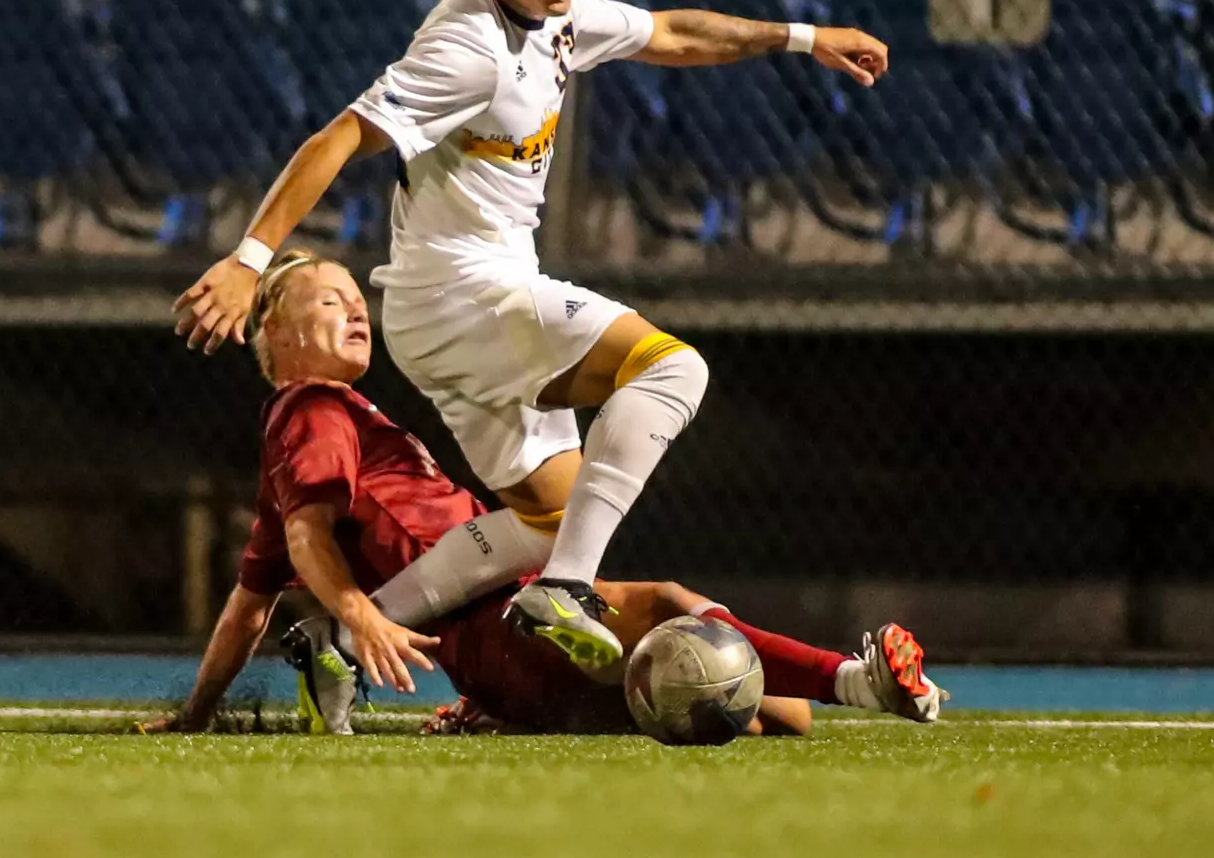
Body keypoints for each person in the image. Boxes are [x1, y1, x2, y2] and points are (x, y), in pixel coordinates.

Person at [174, 0, 890, 671]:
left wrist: (803, 36)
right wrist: (249, 259)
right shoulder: (466, 49)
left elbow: (671, 33)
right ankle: (566, 590)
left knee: (549, 515)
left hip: (463, 302)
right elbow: (337, 136)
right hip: (462, 299)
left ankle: (340, 641)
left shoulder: (559, 11)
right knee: (671, 370)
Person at [143, 253, 946, 736]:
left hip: (501, 618)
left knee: (766, 707)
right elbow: (306, 540)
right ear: (273, 333)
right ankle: (861, 681)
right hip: (490, 626)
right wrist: (359, 616)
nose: (356, 307)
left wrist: (196, 712)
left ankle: (368, 665)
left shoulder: (325, 423)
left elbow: (251, 599)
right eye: (329, 299)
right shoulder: (313, 411)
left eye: (358, 297)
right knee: (671, 610)